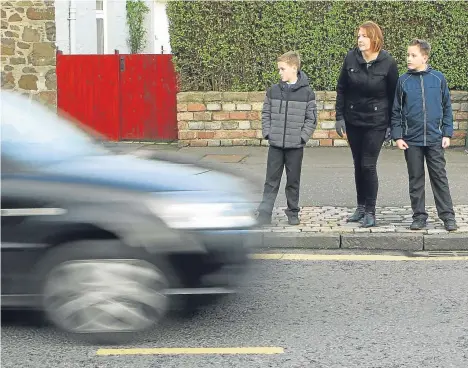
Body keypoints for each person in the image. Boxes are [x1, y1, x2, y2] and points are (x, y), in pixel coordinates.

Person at [335, 21, 399, 227]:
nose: (360, 39)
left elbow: (394, 95)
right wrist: (339, 117)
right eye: (358, 36)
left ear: (375, 39)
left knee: (368, 165)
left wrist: (392, 124)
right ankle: (360, 207)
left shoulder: (388, 62)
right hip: (354, 119)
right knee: (357, 165)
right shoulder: (351, 57)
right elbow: (342, 88)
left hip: (376, 121)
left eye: (364, 36)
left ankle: (371, 211)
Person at [391, 39, 458, 231]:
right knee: (416, 179)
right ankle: (419, 216)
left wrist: (447, 132)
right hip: (411, 140)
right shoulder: (403, 81)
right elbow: (396, 111)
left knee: (439, 177)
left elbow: (446, 107)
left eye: (413, 55)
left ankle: (448, 216)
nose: (408, 59)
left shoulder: (438, 79)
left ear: (425, 57)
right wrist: (398, 136)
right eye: (407, 55)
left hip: (435, 139)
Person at [257, 51, 317, 226]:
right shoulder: (273, 91)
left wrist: (302, 138)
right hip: (275, 145)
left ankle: (293, 212)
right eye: (279, 69)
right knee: (271, 181)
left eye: (282, 69)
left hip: (295, 147)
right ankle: (265, 213)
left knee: (293, 181)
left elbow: (311, 119)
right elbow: (265, 113)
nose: (280, 73)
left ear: (294, 68)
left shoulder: (307, 93)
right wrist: (268, 132)